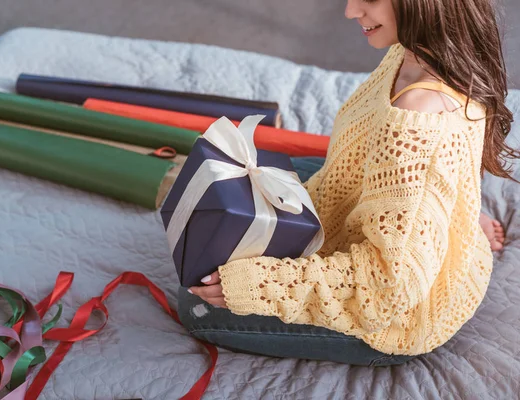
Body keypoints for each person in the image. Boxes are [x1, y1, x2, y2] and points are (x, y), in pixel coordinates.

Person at [179, 0, 519, 366]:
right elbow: (432, 154)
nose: (351, 11)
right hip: (401, 219)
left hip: (396, 314)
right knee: (290, 169)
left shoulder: (418, 118)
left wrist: (261, 285)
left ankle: (446, 228)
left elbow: (389, 289)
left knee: (196, 305)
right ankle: (450, 219)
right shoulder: (420, 47)